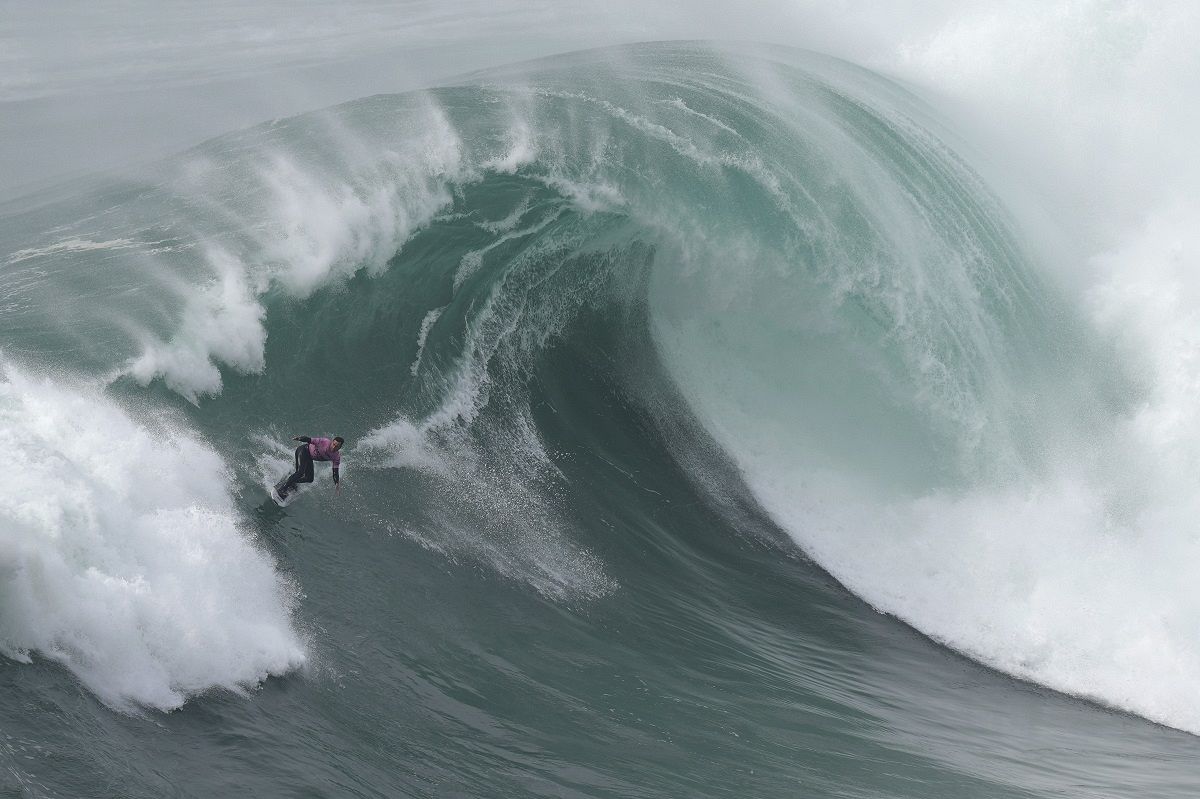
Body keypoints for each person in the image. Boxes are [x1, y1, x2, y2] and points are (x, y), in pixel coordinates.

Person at [278, 435, 344, 499]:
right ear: (332, 442)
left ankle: (291, 482)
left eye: (336, 446)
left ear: (340, 447)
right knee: (300, 473)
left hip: (309, 458)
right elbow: (309, 439)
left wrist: (337, 483)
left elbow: (335, 471)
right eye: (333, 444)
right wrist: (299, 438)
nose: (333, 447)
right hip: (303, 451)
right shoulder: (324, 442)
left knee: (309, 478)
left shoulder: (336, 457)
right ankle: (282, 489)